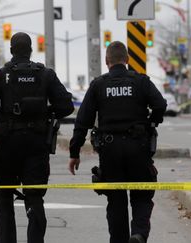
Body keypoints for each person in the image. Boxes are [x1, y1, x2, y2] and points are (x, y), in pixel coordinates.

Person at [0, 32, 74, 243]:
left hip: (8, 144)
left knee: (4, 196)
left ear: (11, 51)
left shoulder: (1, 75)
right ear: (31, 50)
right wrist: (45, 112)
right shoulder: (45, 75)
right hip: (37, 144)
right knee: (35, 197)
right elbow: (66, 106)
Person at [68, 41, 167, 243]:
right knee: (142, 194)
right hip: (138, 147)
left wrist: (75, 151)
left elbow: (83, 120)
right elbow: (160, 104)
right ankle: (138, 233)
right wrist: (151, 122)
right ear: (128, 60)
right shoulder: (140, 81)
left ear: (107, 61)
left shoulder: (98, 84)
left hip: (110, 149)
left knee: (115, 200)